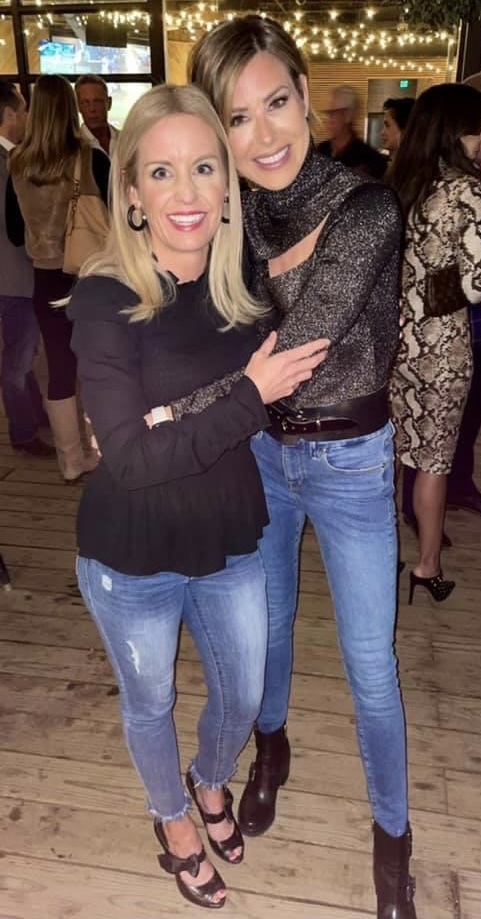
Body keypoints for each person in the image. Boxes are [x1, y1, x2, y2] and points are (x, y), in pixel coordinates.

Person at [158, 15, 412, 919]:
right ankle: (272, 749)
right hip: (261, 455)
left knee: (370, 663)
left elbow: (294, 349)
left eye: (276, 103)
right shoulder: (230, 216)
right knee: (263, 637)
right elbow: (192, 326)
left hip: (350, 460)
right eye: (237, 117)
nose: (264, 134)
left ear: (305, 98)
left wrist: (171, 414)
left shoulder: (369, 208)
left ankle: (393, 840)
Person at [67, 82, 329, 911]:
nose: (185, 191)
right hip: (130, 550)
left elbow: (286, 383)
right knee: (152, 699)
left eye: (204, 168)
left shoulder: (242, 287)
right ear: (133, 192)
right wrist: (244, 395)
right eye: (162, 172)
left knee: (243, 692)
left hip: (229, 531)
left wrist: (177, 415)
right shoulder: (106, 297)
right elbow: (132, 461)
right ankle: (174, 818)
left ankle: (211, 777)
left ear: (227, 186)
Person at [388, 83, 481, 605]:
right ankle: (427, 566)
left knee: (394, 454)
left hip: (399, 343)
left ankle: (384, 551)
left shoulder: (405, 181)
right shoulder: (468, 189)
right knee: (433, 462)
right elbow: (480, 286)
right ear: (459, 130)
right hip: (442, 350)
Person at [7, 74, 110, 482]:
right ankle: (103, 448)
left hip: (45, 280)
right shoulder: (89, 158)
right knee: (101, 363)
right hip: (90, 277)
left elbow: (16, 232)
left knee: (60, 368)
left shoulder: (18, 163)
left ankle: (70, 460)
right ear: (70, 108)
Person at [446, 69, 481, 515]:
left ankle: (460, 485)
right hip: (453, 324)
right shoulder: (448, 183)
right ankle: (424, 505)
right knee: (443, 421)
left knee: (473, 414)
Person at [0, 80, 53, 457]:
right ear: (9, 115)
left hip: (12, 277)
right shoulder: (8, 165)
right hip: (14, 278)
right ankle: (22, 431)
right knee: (17, 361)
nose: (27, 117)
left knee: (24, 354)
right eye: (23, 110)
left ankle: (34, 415)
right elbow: (17, 227)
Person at [317, 84, 388, 179]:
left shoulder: (369, 160)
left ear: (348, 115)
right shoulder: (321, 151)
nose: (328, 119)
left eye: (333, 113)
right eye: (328, 113)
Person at [75, 74, 119, 157]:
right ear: (78, 106)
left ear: (109, 103)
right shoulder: (73, 147)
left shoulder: (125, 140)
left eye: (97, 102)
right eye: (86, 103)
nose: (92, 109)